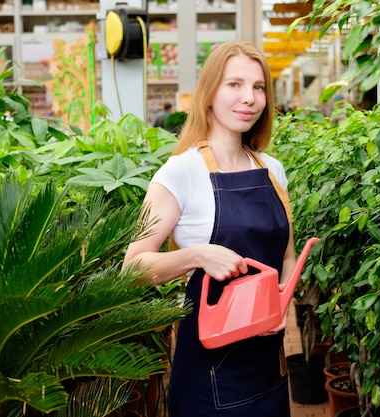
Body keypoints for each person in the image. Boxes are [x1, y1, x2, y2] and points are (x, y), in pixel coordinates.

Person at [123, 41, 296, 417]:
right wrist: (198, 255)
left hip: (268, 362)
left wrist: (281, 307)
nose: (248, 98)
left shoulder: (273, 170)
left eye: (258, 87)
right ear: (209, 93)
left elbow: (286, 256)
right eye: (234, 84)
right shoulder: (181, 172)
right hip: (210, 371)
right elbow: (132, 267)